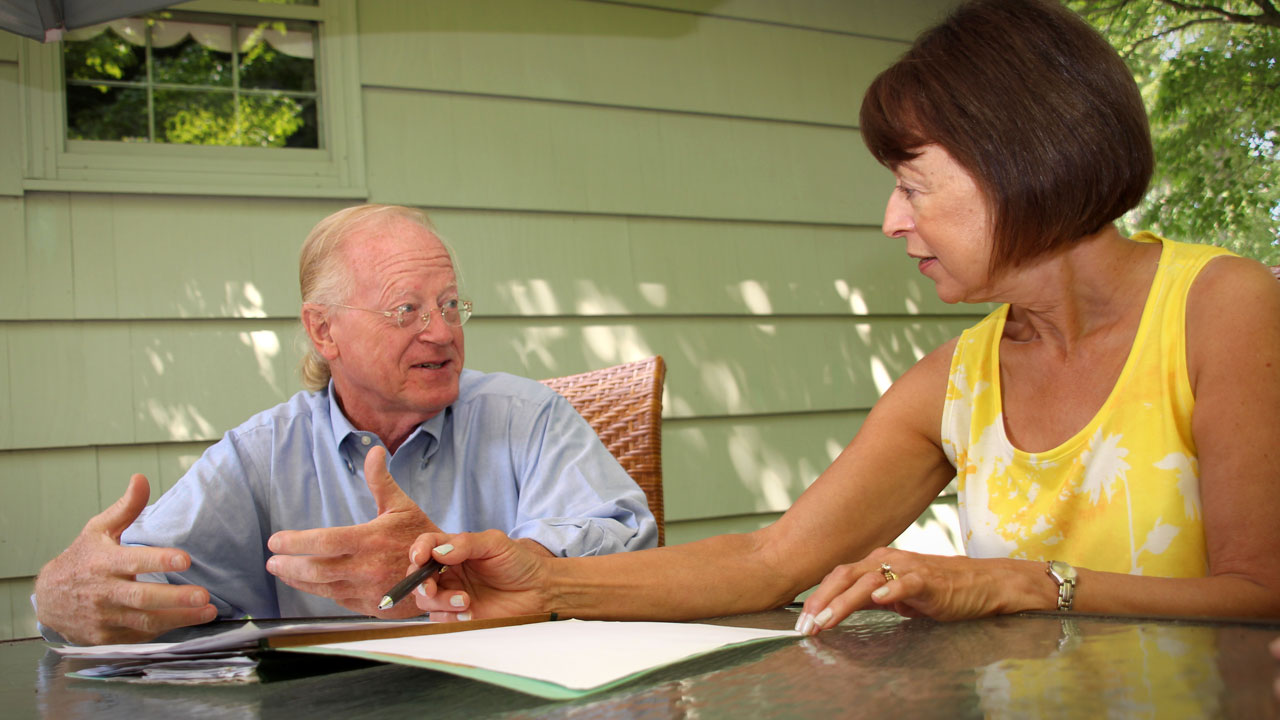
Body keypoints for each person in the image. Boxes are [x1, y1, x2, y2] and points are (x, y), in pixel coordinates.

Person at [399, 0, 1280, 630]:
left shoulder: (1226, 311)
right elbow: (773, 561)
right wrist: (547, 583)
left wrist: (1021, 583)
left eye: (912, 183)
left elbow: (1262, 593)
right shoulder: (956, 382)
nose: (893, 220)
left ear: (1023, 161)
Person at [33, 204, 657, 645]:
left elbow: (627, 540)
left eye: (448, 304)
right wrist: (61, 596)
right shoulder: (261, 455)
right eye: (406, 309)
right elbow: (138, 582)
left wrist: (493, 567)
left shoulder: (527, 418)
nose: (441, 331)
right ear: (323, 330)